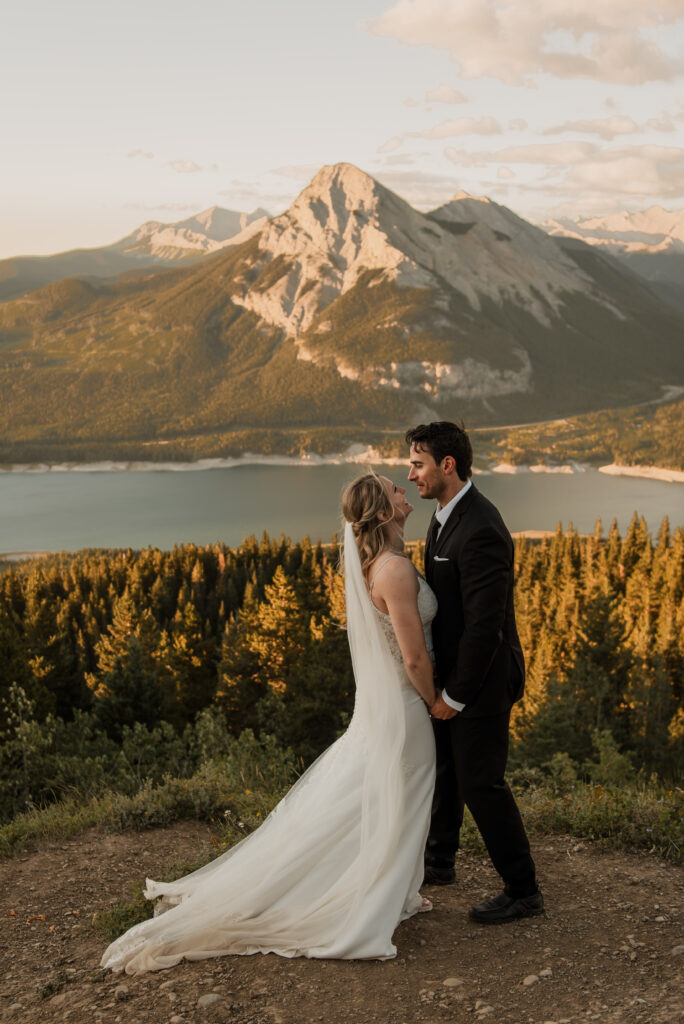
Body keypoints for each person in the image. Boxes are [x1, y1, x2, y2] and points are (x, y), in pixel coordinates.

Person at [100, 472, 438, 974]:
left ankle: (386, 888)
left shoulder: (378, 566)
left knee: (373, 799)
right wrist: (437, 703)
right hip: (405, 706)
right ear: (384, 512)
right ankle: (369, 899)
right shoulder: (394, 571)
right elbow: (413, 660)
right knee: (398, 797)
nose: (404, 491)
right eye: (395, 489)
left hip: (385, 704)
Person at [406, 421, 543, 924]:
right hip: (453, 675)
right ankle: (440, 862)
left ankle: (524, 889)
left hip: (481, 680)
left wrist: (455, 696)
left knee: (481, 782)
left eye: (418, 464)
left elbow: (485, 628)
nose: (411, 473)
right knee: (446, 767)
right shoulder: (444, 516)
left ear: (447, 465)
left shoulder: (481, 527)